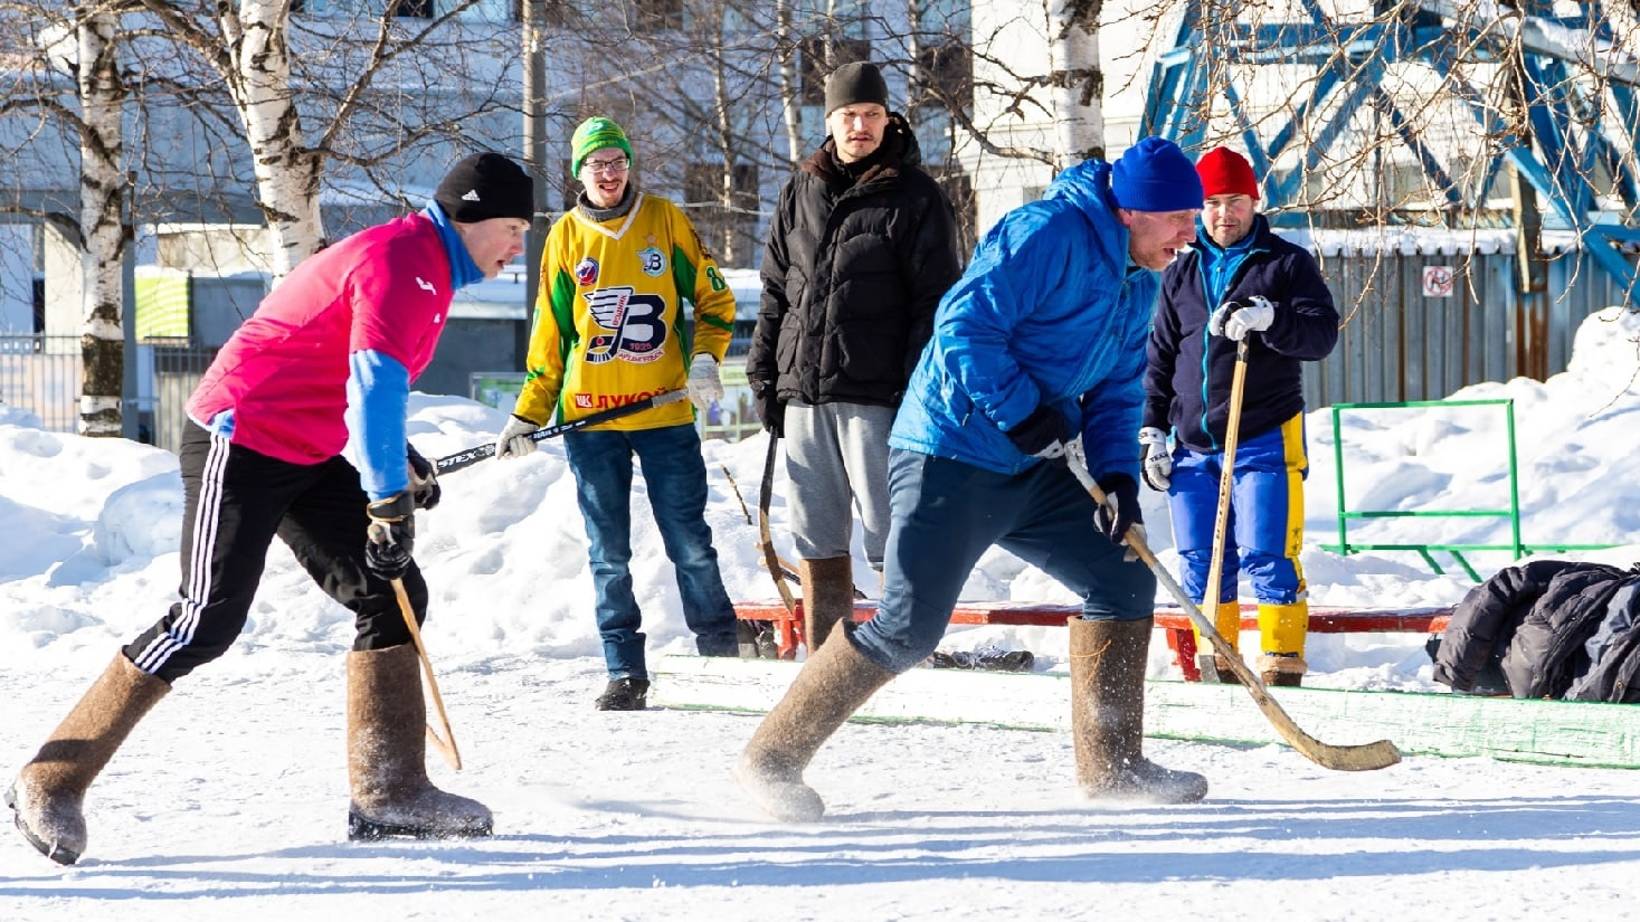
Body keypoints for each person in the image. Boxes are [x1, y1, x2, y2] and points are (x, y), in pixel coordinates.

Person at [6, 153, 533, 864]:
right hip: (242, 434)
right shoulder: (402, 261)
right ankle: (51, 778)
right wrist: (385, 501)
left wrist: (397, 460)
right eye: (511, 227)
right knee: (207, 617)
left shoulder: (429, 268)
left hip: (306, 447)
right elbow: (374, 383)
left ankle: (389, 791)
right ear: (470, 217)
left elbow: (351, 374)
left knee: (393, 589)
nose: (516, 244)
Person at [735, 137, 1210, 822]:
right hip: (951, 452)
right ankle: (771, 758)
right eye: (1178, 218)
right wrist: (1020, 412)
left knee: (1121, 575)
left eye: (1193, 218)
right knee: (907, 629)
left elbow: (1114, 386)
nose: (1188, 234)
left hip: (1034, 463)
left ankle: (1114, 768)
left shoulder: (1141, 278)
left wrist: (1114, 476)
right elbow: (962, 328)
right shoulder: (1048, 233)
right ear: (1133, 211)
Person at [493, 116, 739, 712]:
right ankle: (624, 669)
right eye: (596, 164)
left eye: (617, 161)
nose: (608, 173)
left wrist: (705, 359)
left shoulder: (664, 219)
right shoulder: (564, 238)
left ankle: (722, 658)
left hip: (665, 415)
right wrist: (529, 412)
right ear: (579, 172)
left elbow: (714, 299)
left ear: (629, 165)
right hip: (591, 423)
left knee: (691, 544)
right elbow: (550, 335)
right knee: (609, 553)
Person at [747, 61, 962, 649]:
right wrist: (764, 374)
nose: (859, 126)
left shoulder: (917, 197)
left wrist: (915, 389)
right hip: (805, 393)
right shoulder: (801, 189)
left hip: (879, 396)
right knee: (816, 536)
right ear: (830, 119)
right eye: (848, 115)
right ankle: (827, 661)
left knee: (891, 530)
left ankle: (907, 652)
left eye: (870, 114)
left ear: (888, 118)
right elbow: (775, 292)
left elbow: (935, 304)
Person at [1139, 147, 1338, 687]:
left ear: (1254, 201)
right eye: (1211, 203)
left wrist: (1271, 317)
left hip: (1263, 435)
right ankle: (1218, 658)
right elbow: (1160, 357)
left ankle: (1280, 663)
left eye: (1235, 202)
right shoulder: (1181, 270)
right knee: (1201, 559)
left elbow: (1321, 335)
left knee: (1267, 553)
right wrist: (1152, 429)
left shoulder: (1286, 263)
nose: (1223, 214)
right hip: (1191, 444)